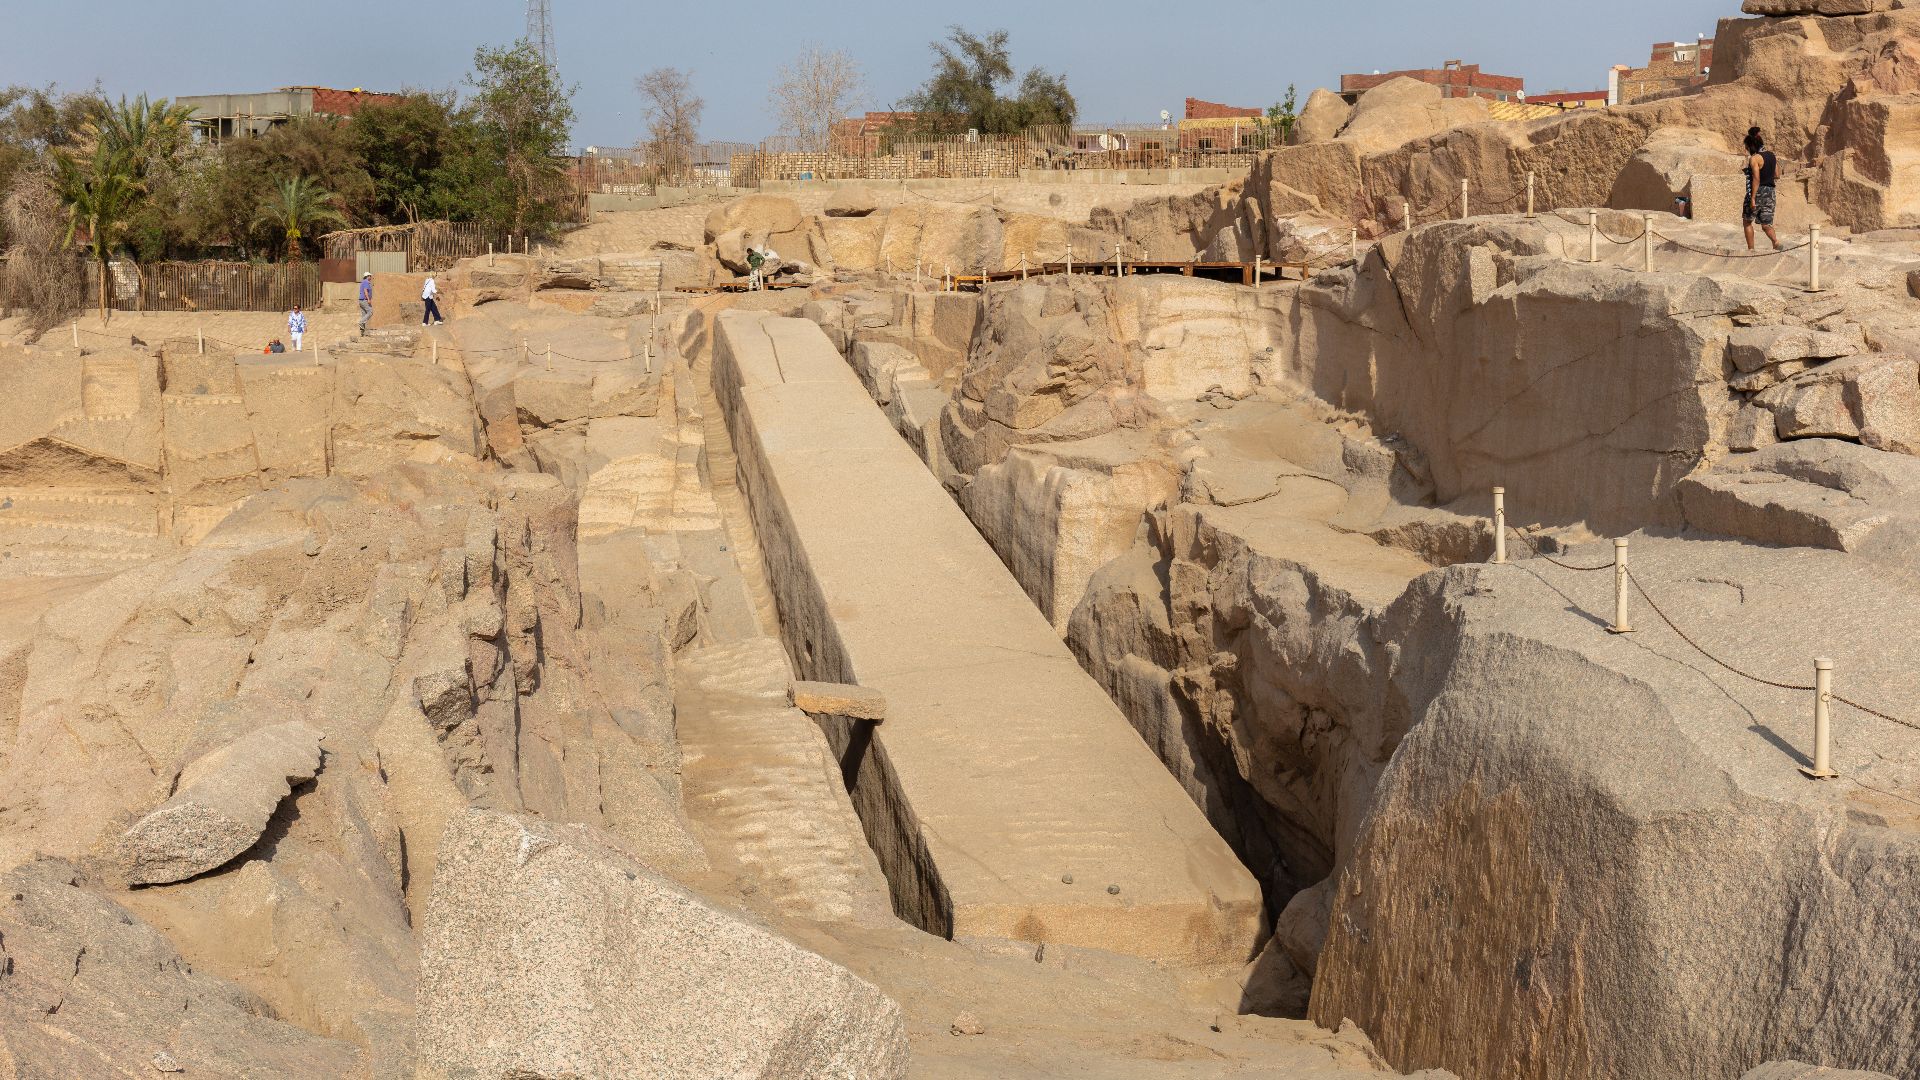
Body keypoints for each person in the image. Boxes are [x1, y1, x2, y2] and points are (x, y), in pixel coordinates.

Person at [1743, 127, 1780, 252]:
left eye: (1747, 147)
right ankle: (1776, 242)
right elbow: (1777, 175)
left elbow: (1756, 179)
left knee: (1747, 221)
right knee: (1766, 224)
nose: (1746, 149)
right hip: (1771, 192)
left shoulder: (1754, 158)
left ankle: (1751, 250)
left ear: (1751, 145)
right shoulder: (1771, 155)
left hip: (1757, 191)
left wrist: (1753, 198)